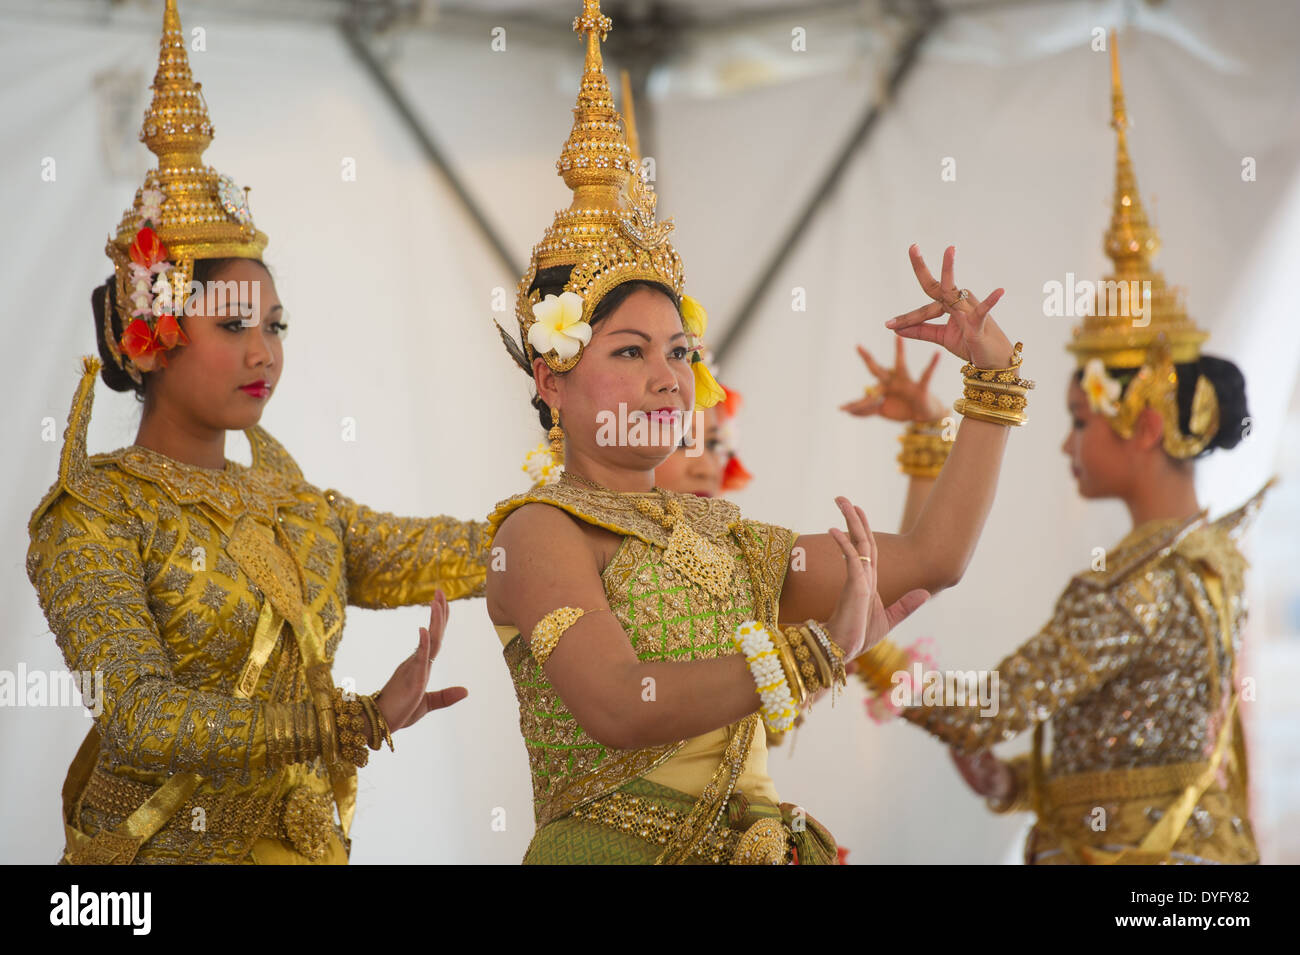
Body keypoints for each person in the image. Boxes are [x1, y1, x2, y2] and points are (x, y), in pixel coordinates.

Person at [484, 0, 1030, 864]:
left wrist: (990, 384)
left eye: (679, 351)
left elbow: (934, 557)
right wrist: (814, 653)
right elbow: (621, 703)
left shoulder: (729, 540)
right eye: (631, 351)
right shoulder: (537, 533)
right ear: (552, 377)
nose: (669, 376)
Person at [26, 0, 487, 864]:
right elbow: (142, 714)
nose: (263, 350)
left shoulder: (292, 502)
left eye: (276, 325)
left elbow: (445, 549)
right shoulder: (92, 515)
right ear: (150, 335)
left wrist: (578, 521)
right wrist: (350, 721)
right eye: (234, 324)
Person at [898, 38, 1269, 864]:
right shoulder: (1214, 556)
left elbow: (992, 702)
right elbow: (1149, 744)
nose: (1066, 443)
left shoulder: (1136, 582)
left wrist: (869, 653)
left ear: (1140, 423)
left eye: (1078, 419)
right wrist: (1020, 785)